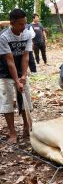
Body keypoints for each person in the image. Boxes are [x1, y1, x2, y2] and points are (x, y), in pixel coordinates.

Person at [0, 9, 33, 143]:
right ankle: (12, 132)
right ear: (12, 23)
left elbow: (25, 57)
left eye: (25, 23)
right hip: (5, 73)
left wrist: (23, 76)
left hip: (21, 71)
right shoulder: (4, 37)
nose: (24, 27)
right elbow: (10, 61)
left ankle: (26, 126)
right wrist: (16, 81)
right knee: (7, 102)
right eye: (20, 24)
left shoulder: (27, 34)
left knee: (25, 99)